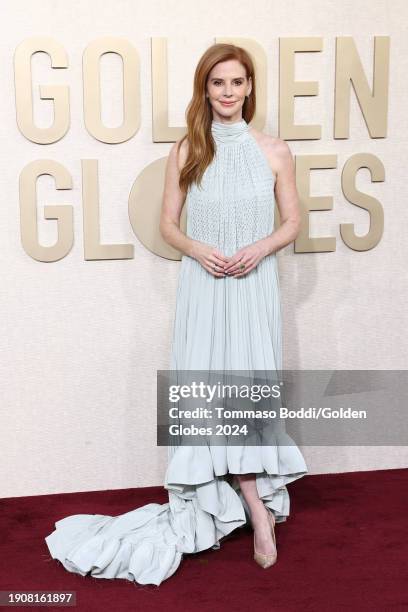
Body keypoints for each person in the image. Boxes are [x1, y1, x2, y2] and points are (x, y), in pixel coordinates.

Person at [44, 43, 308, 587]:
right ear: (204, 89)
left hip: (254, 286)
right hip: (204, 287)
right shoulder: (188, 149)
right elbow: (168, 224)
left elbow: (293, 222)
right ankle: (257, 512)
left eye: (237, 82)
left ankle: (254, 507)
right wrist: (196, 249)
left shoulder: (275, 150)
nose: (228, 92)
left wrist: (260, 250)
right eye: (218, 83)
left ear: (250, 87)